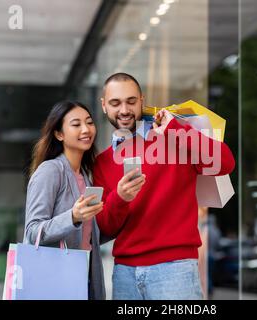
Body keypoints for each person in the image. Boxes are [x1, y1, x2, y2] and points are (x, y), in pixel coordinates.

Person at [93, 72, 235, 300]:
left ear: (142, 100)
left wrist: (176, 129)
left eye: (131, 101)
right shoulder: (103, 161)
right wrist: (120, 198)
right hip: (125, 274)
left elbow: (225, 163)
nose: (124, 110)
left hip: (175, 269)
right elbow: (105, 228)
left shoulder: (174, 138)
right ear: (104, 106)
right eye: (115, 103)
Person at [23, 100, 141, 300]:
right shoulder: (51, 171)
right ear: (59, 134)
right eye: (76, 124)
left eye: (89, 122)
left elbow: (90, 235)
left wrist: (121, 199)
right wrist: (73, 217)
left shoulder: (86, 176)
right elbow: (33, 231)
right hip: (55, 280)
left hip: (84, 278)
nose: (86, 129)